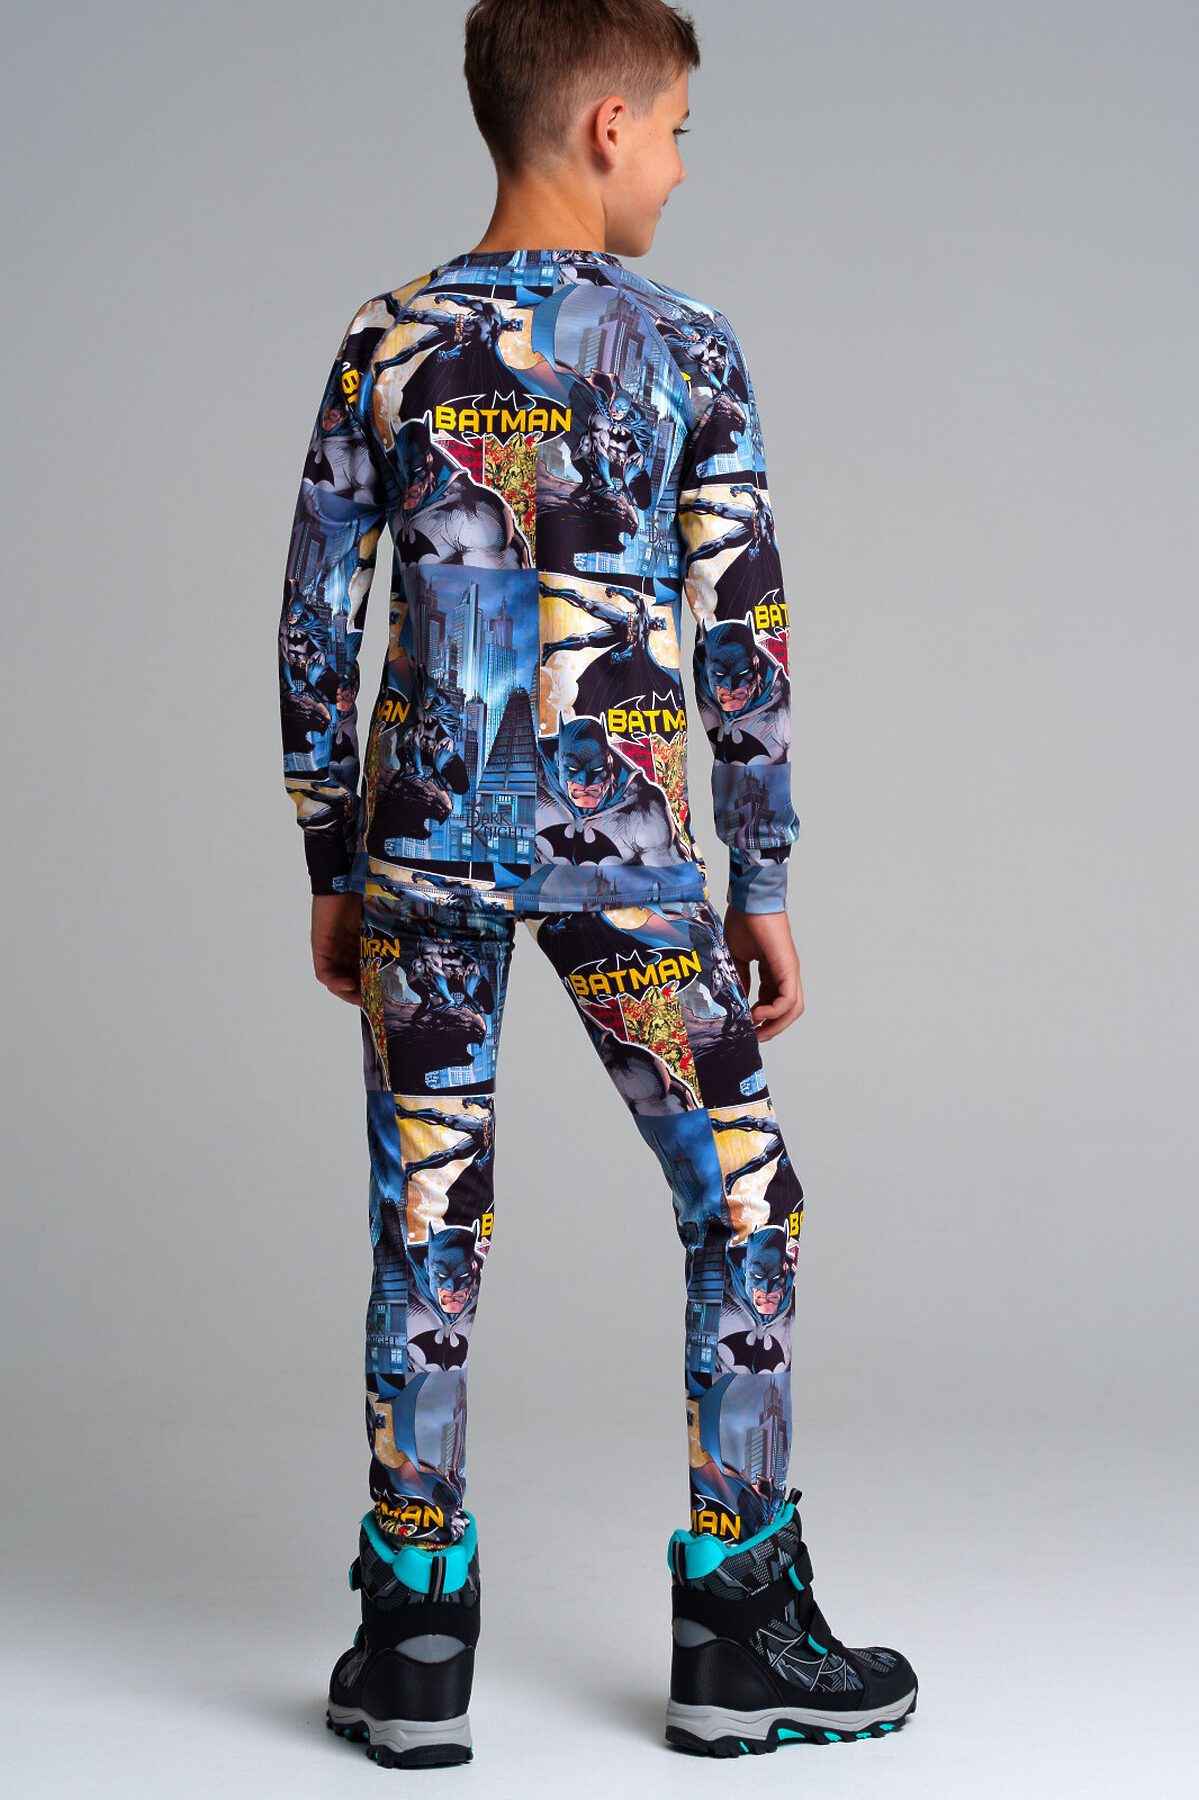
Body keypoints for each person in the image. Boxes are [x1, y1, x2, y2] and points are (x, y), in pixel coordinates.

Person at [277, 0, 916, 1768]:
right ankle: (740, 1622)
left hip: (422, 855)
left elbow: (318, 616)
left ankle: (413, 1636)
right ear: (608, 124)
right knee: (745, 1204)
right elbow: (744, 627)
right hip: (626, 860)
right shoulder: (687, 348)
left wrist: (334, 850)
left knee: (428, 1220)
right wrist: (759, 868)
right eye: (682, 130)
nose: (685, 167)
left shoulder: (386, 340)